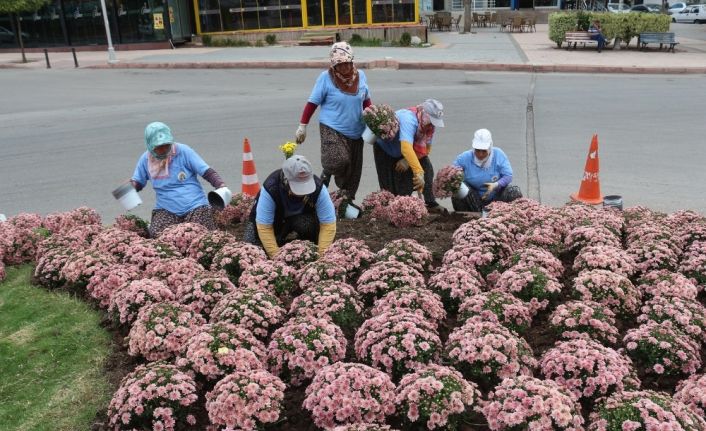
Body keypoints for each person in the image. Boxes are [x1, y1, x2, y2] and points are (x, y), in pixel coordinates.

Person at [294, 41, 372, 203]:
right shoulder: (325, 78)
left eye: (347, 64)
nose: (344, 68)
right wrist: (303, 126)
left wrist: (373, 120)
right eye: (340, 65)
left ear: (352, 61)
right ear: (334, 66)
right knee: (338, 160)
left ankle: (345, 204)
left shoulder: (361, 76)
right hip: (332, 128)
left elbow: (366, 101)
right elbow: (312, 103)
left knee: (353, 172)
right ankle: (325, 177)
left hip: (357, 131)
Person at [130, 121, 229, 238]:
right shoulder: (145, 159)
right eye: (159, 147)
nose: (164, 149)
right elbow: (138, 181)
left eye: (166, 145)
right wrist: (131, 187)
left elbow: (206, 171)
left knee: (201, 235)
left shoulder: (183, 151)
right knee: (159, 237)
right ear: (150, 145)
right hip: (165, 208)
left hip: (194, 205)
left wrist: (220, 185)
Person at [244, 155, 336, 258]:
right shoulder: (271, 187)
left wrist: (321, 257)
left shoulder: (318, 187)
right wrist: (276, 258)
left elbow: (328, 224)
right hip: (274, 220)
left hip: (299, 218)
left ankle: (307, 243)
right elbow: (264, 227)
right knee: (250, 245)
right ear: (285, 181)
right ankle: (279, 238)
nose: (302, 193)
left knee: (308, 225)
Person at [373, 99, 446, 213]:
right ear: (425, 115)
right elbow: (406, 148)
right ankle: (398, 210)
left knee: (426, 167)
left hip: (406, 152)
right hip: (386, 150)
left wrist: (408, 162)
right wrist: (418, 171)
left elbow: (426, 149)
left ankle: (429, 203)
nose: (432, 125)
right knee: (391, 188)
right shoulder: (409, 119)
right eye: (431, 121)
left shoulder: (429, 127)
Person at [451, 128, 522, 212]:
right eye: (477, 150)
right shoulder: (464, 158)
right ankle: (470, 218)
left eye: (484, 151)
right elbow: (451, 173)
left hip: (496, 197)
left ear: (490, 147)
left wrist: (495, 185)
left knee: (514, 191)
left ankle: (505, 217)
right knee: (458, 190)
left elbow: (508, 176)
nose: (480, 154)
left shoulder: (498, 154)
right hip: (473, 198)